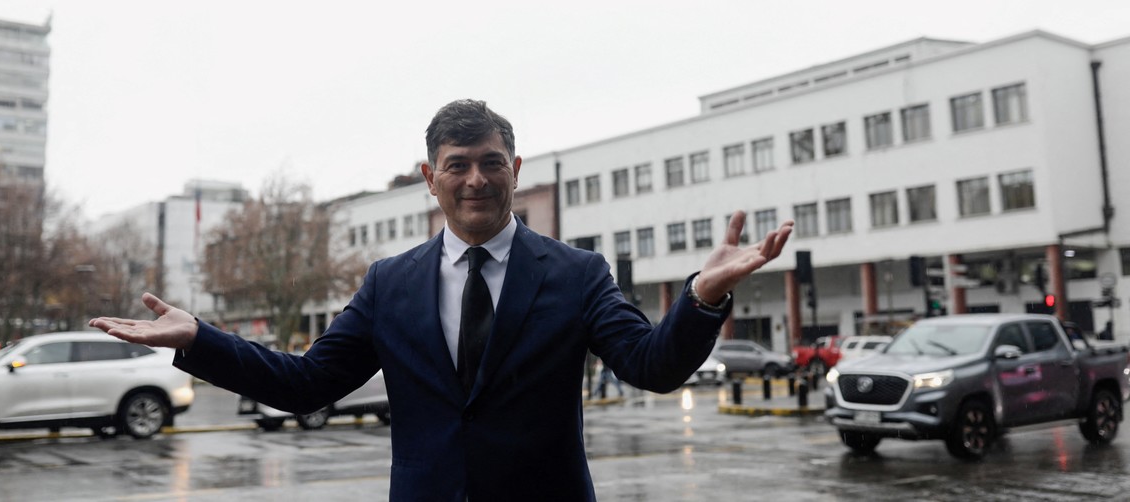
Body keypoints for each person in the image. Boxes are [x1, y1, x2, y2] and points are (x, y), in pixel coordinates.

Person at [90, 99, 794, 501]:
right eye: (457, 166)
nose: (475, 180)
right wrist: (199, 339)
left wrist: (701, 297)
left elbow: (651, 365)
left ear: (515, 170)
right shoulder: (389, 283)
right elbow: (306, 384)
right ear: (431, 178)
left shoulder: (577, 274)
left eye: (491, 163)